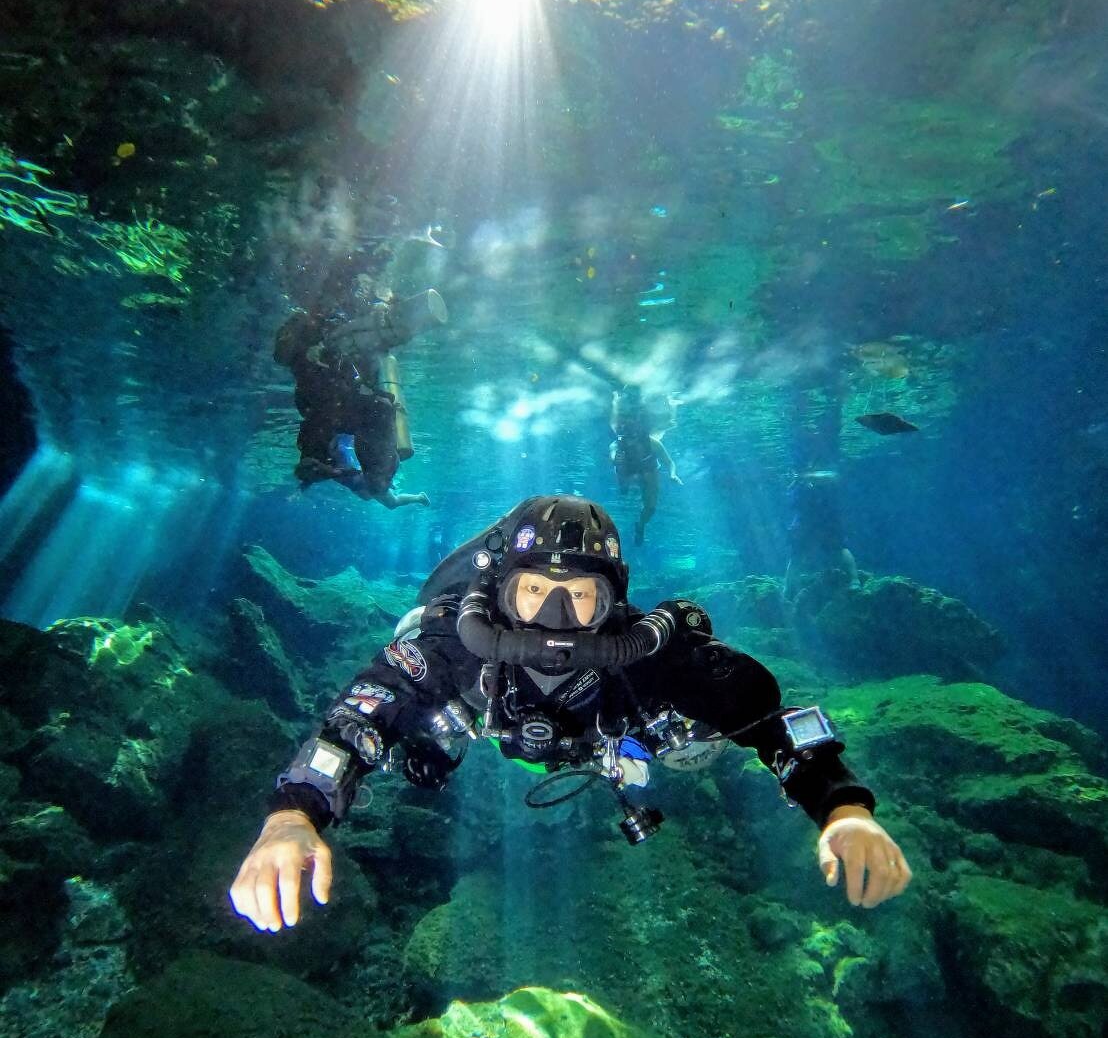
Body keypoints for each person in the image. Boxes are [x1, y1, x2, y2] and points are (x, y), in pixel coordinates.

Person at [230, 495, 911, 932]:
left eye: (580, 597)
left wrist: (843, 807)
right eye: (534, 592)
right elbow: (355, 721)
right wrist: (293, 816)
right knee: (420, 741)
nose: (555, 620)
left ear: (613, 604)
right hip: (483, 722)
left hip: (607, 739)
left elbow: (769, 718)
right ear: (498, 595)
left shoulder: (645, 655)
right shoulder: (452, 646)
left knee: (689, 740)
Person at [273, 286, 446, 509]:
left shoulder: (328, 356)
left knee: (378, 488)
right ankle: (402, 490)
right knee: (377, 488)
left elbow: (320, 425)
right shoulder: (323, 368)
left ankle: (406, 491)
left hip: (354, 410)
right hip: (353, 412)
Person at [609, 385, 682, 545]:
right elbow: (613, 456)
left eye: (635, 432)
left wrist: (673, 474)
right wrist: (616, 460)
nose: (632, 437)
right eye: (629, 432)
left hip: (649, 470)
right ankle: (624, 487)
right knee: (620, 469)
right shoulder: (619, 445)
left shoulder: (652, 443)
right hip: (628, 470)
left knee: (651, 507)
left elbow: (669, 462)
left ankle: (640, 525)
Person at [783, 468, 860, 614]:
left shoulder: (814, 476)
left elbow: (833, 477)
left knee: (838, 549)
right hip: (805, 520)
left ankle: (854, 580)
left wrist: (805, 477)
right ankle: (787, 589)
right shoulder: (797, 482)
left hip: (825, 518)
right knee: (797, 555)